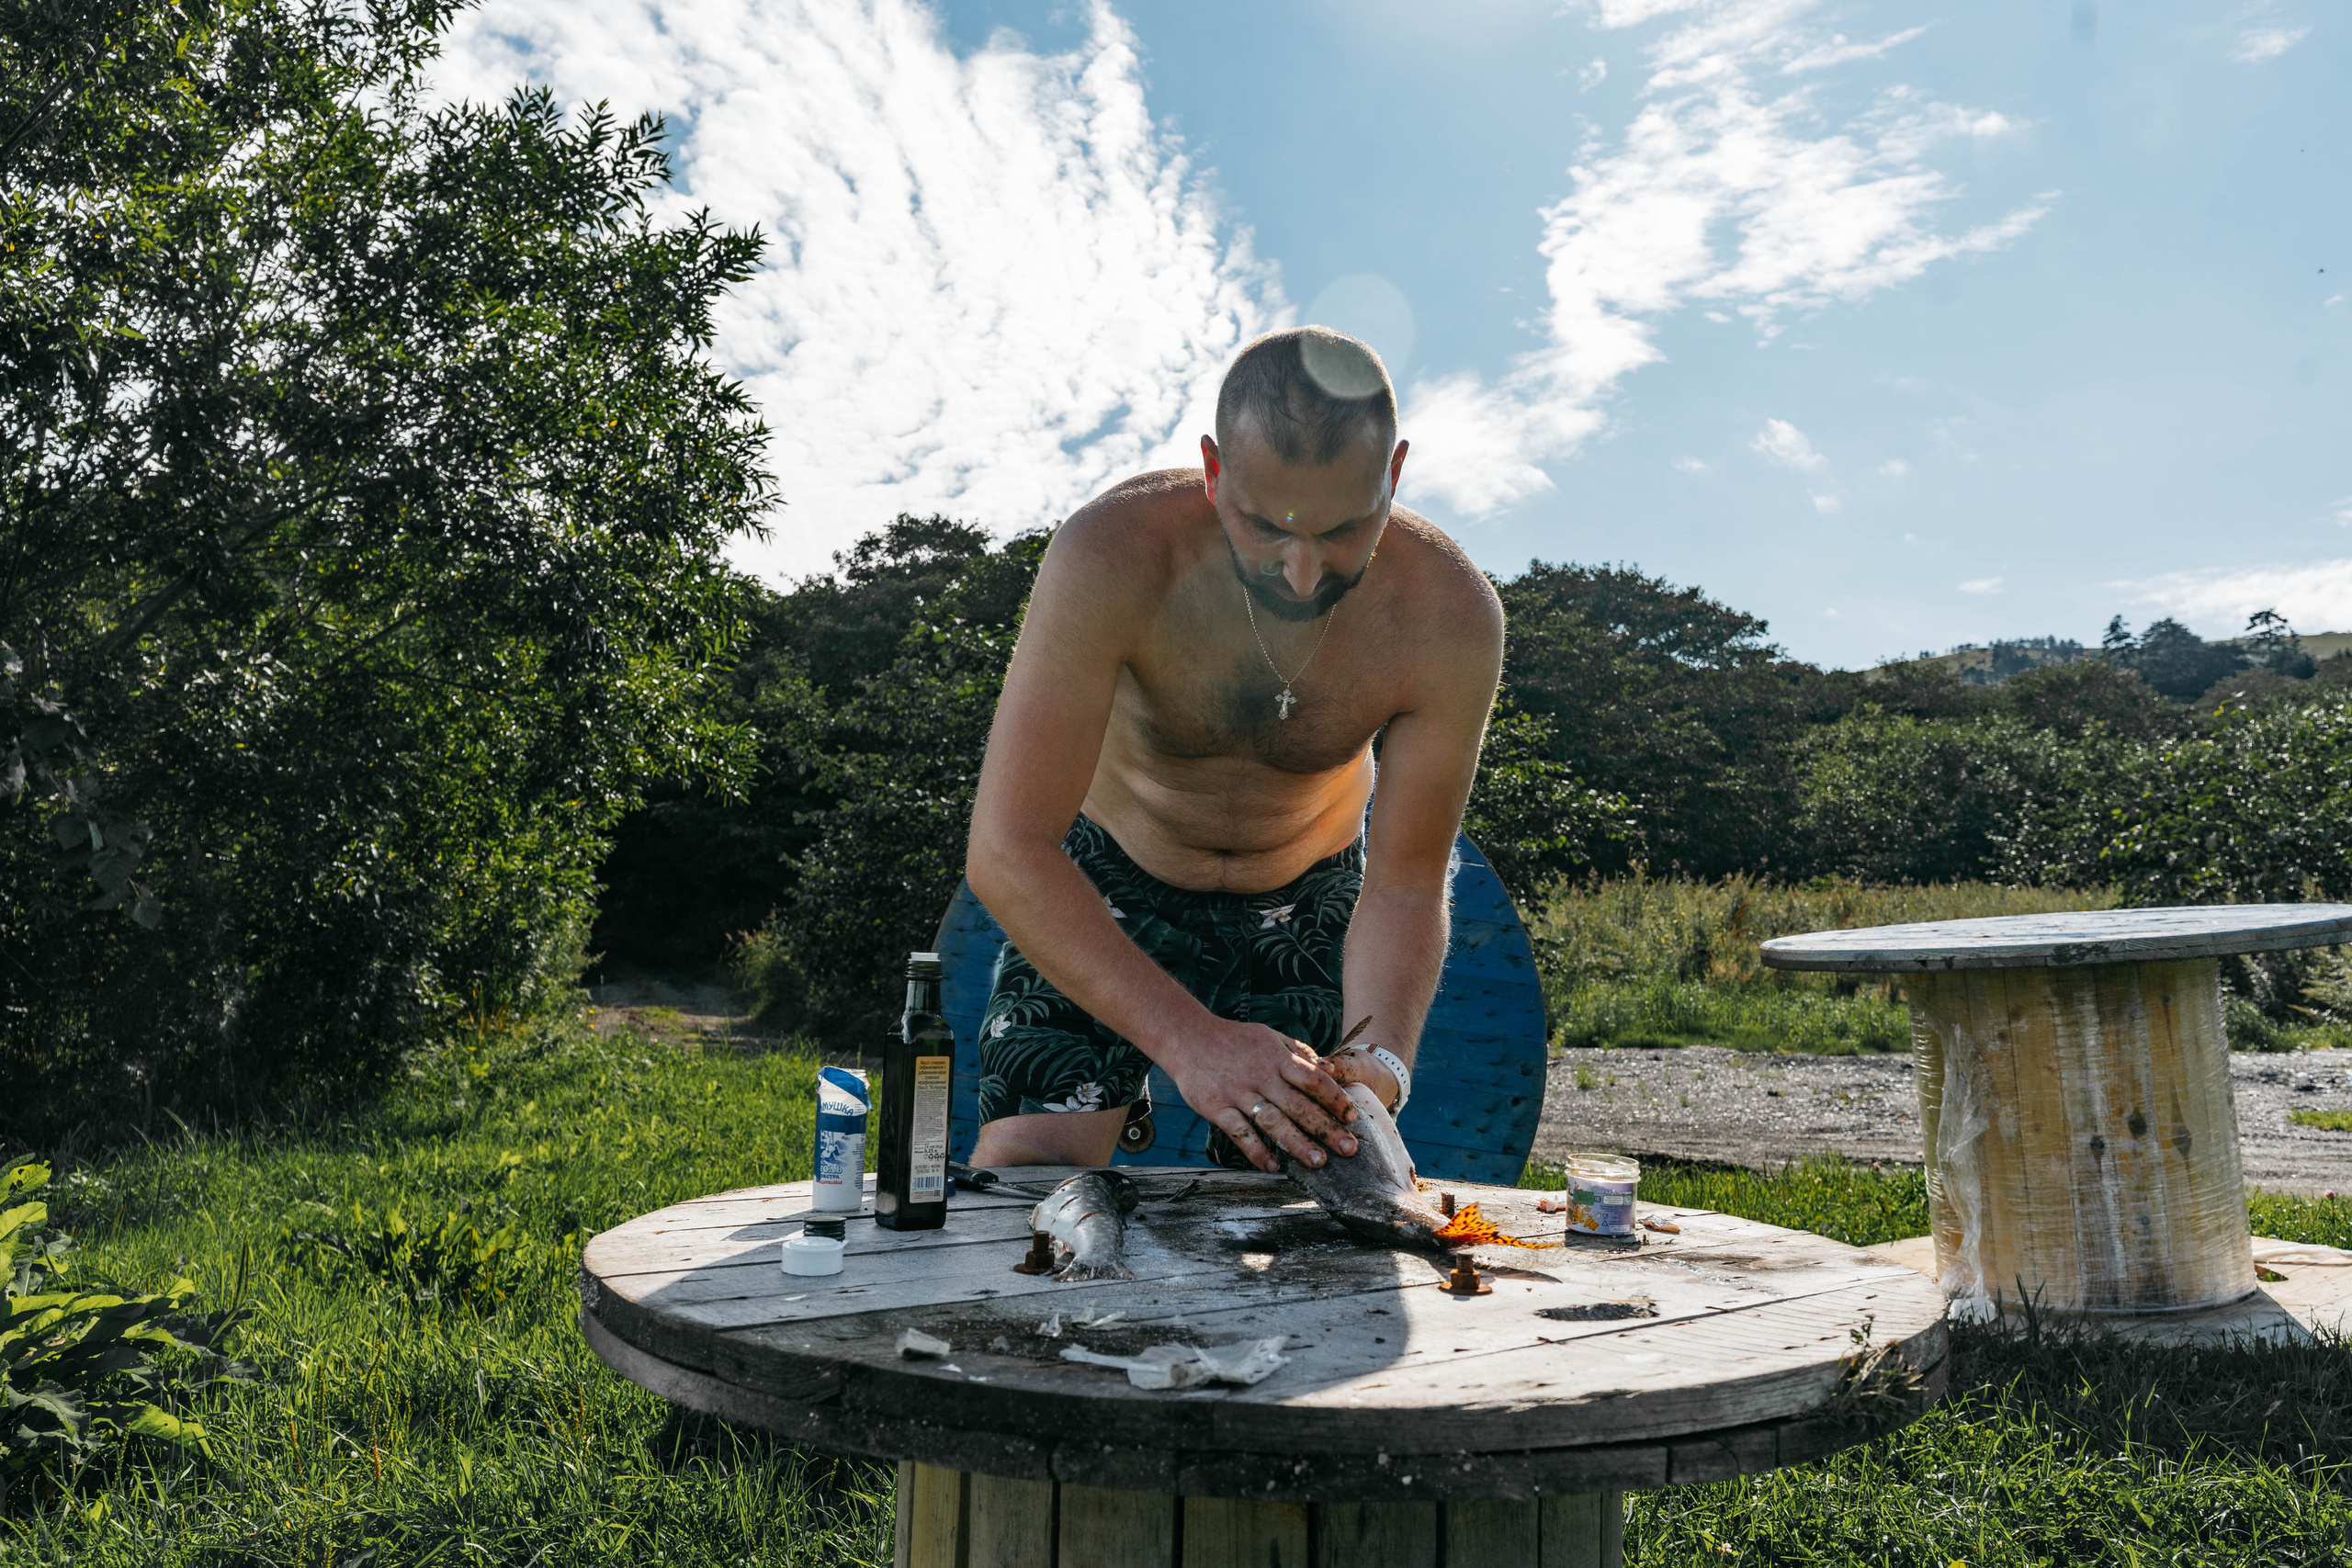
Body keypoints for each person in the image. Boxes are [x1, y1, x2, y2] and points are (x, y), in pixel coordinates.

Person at [962, 327, 1504, 1174]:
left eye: (1343, 530)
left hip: (1311, 893)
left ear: (1392, 475)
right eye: (1265, 527)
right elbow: (1005, 847)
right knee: (1029, 1173)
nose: (1302, 572)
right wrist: (1192, 1041)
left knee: (1315, 1200)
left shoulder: (1450, 615)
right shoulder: (1113, 552)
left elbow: (1403, 878)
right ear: (1215, 473)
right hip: (1109, 877)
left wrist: (1384, 1064)